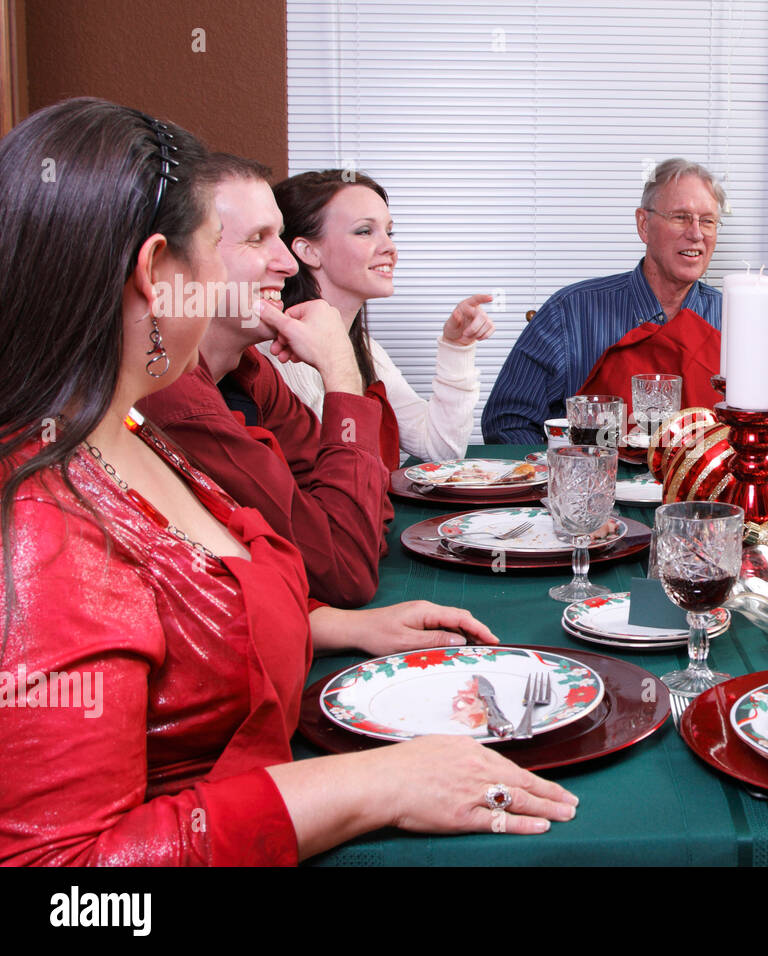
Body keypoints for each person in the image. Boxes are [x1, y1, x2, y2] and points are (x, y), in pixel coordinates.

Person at [0, 99, 576, 867]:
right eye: (229, 244)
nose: (283, 267)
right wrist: (376, 784)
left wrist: (329, 626)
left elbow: (195, 610)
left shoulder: (129, 429)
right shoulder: (44, 520)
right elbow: (67, 891)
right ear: (156, 273)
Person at [137, 155, 393, 607]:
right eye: (257, 240)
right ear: (174, 263)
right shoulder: (170, 395)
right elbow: (347, 571)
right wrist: (340, 375)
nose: (289, 264)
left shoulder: (251, 368)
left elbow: (372, 516)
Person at [481, 158, 725, 443]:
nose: (696, 233)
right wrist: (567, 470)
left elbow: (761, 431)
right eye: (680, 217)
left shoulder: (733, 319)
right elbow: (507, 422)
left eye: (707, 221)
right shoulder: (570, 312)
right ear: (644, 225)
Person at [271, 170, 495, 464]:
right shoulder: (278, 353)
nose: (390, 247)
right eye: (364, 231)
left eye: (389, 232)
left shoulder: (365, 348)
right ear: (308, 251)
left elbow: (440, 450)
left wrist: (457, 348)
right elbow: (329, 468)